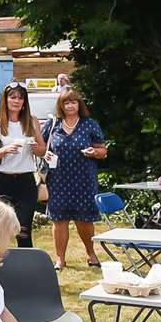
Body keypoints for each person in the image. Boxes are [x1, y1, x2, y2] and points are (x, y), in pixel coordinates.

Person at [42, 88, 108, 268]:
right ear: (61, 105)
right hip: (58, 180)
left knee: (84, 220)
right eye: (66, 102)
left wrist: (95, 152)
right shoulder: (52, 124)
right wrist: (45, 154)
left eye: (73, 102)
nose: (70, 105)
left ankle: (91, 254)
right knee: (59, 219)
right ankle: (60, 259)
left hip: (84, 180)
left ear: (79, 104)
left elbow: (103, 151)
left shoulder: (89, 124)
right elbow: (41, 148)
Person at [0, 81, 46, 248]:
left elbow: (43, 150)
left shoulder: (32, 121)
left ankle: (26, 266)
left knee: (23, 229)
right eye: (12, 97)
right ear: (5, 100)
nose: (16, 101)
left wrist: (35, 148)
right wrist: (5, 150)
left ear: (24, 102)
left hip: (25, 181)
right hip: (2, 180)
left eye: (20, 98)